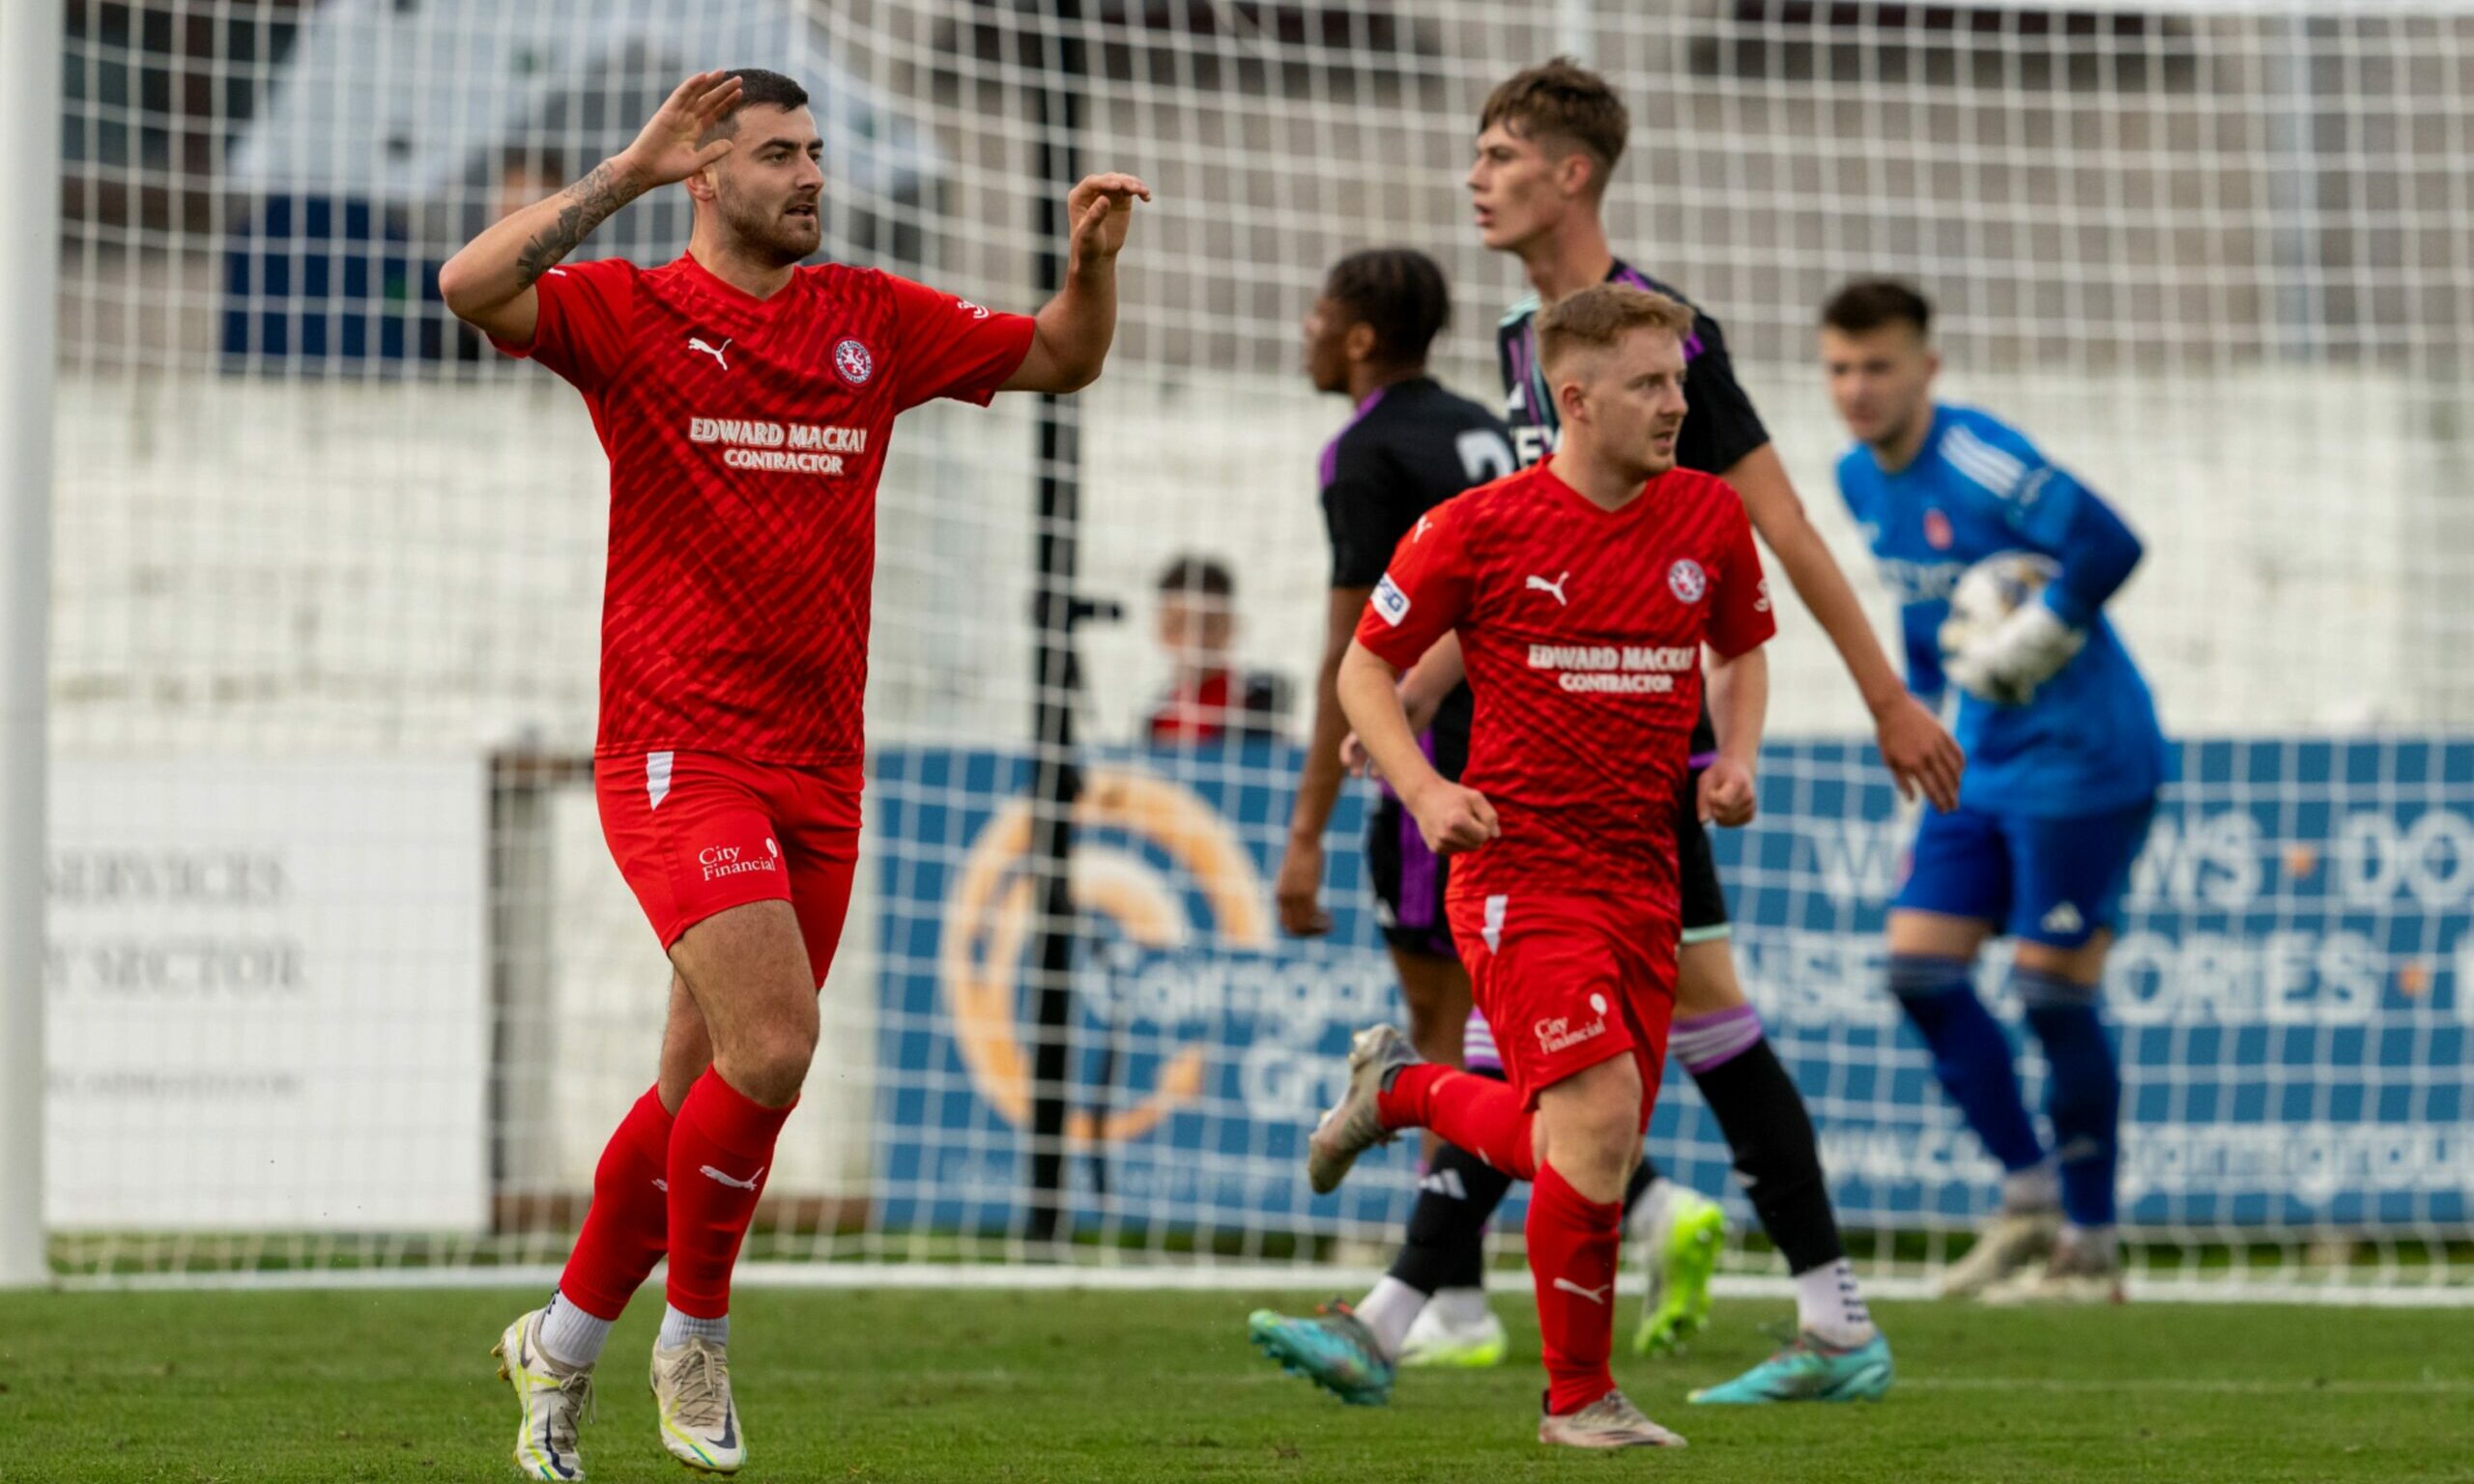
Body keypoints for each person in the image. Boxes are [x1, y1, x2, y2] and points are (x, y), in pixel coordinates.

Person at [439, 69, 1146, 1478]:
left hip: (822, 764)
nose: (812, 176)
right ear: (708, 176)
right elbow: (472, 284)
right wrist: (622, 176)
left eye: (816, 152)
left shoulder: (870, 320)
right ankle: (691, 1336)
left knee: (698, 1088)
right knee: (773, 1048)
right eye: (778, 156)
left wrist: (1085, 271)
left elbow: (1066, 358)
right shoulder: (632, 313)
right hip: (678, 752)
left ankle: (560, 1346)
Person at [1330, 56, 1933, 1402]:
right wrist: (1416, 700)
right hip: (1548, 761)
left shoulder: (1666, 336)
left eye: (1496, 156)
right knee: (1561, 1050)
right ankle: (1399, 1304)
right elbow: (1504, 560)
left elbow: (1772, 525)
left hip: (1643, 767)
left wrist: (1884, 696)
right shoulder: (1525, 336)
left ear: (1570, 174)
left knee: (1692, 1039)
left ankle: (1822, 1317)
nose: (1473, 180)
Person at [1292, 284, 1773, 1448]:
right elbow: (1365, 670)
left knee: (1581, 1144)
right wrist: (1424, 789)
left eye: (1680, 380)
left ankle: (1400, 1091)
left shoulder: (1706, 517)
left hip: (1645, 876)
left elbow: (1743, 646)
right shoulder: (1476, 526)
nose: (1678, 404)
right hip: (1517, 874)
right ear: (1578, 399)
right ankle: (1576, 1402)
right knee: (1598, 1121)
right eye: (1653, 385)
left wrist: (1735, 756)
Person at [1820, 278, 2164, 1304]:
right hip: (1977, 761)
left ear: (1925, 368)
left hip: (2084, 758)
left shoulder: (1980, 458)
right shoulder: (1853, 477)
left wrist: (2044, 628)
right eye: (1839, 368)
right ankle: (2026, 1197)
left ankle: (2088, 1245)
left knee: (2052, 994)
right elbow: (1927, 628)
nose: (1856, 388)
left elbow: (2111, 543)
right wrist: (1918, 726)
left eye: (1877, 366)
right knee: (1918, 973)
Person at [1257, 247, 1522, 1374]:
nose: (1306, 333)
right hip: (1516, 746)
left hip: (1430, 763)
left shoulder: (1364, 451)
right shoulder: (1483, 425)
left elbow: (1348, 646)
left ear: (1359, 337)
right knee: (1481, 1022)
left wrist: (1306, 830)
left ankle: (1620, 1211)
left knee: (1444, 1029)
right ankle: (1451, 1294)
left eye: (1318, 316)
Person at [1145, 556, 1292, 745]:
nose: (1193, 639)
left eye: (1208, 625)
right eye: (1178, 625)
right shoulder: (1156, 712)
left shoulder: (1257, 704)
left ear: (1230, 625)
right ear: (1161, 629)